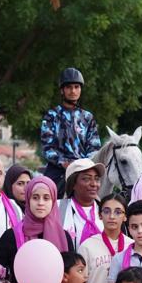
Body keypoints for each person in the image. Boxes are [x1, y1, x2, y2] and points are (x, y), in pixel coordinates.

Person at [40, 67, 101, 195]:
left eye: (76, 87)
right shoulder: (51, 115)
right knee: (45, 194)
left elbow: (94, 146)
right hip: (58, 170)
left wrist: (83, 165)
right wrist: (64, 163)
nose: (73, 91)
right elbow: (47, 147)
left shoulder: (88, 117)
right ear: (62, 90)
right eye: (69, 87)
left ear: (80, 89)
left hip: (83, 169)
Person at [79, 193, 129, 283]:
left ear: (125, 216)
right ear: (100, 215)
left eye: (118, 212)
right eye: (106, 211)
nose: (112, 216)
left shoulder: (132, 245)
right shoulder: (87, 246)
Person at [58, 158, 105, 245]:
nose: (94, 184)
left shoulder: (106, 210)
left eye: (97, 179)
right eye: (86, 179)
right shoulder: (58, 208)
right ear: (73, 184)